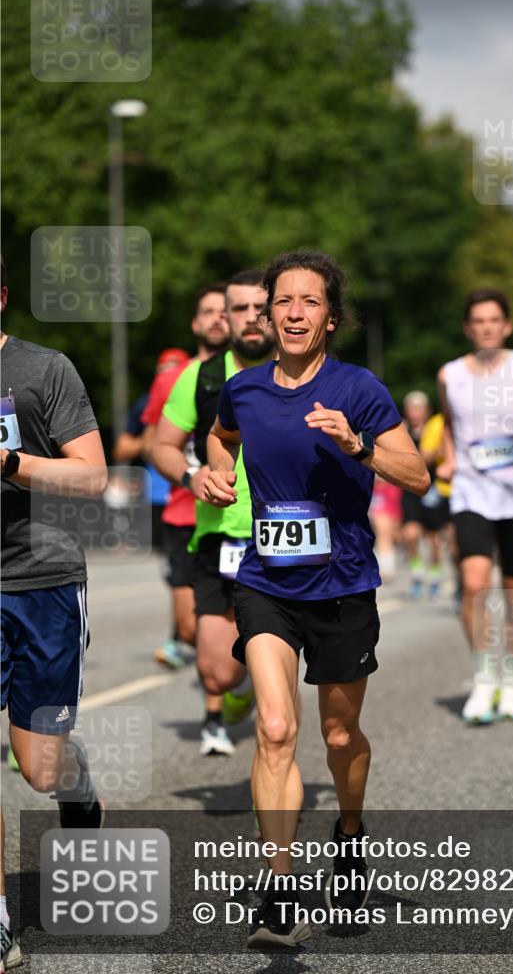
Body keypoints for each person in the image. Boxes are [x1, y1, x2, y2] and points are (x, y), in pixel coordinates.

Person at [204, 251, 429, 947]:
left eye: (309, 302)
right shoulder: (242, 390)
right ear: (266, 314)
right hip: (266, 580)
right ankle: (278, 887)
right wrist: (213, 477)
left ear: (331, 317)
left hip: (342, 585)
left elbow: (416, 474)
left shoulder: (358, 388)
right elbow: (220, 439)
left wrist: (357, 445)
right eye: (283, 301)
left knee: (337, 735)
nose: (294, 312)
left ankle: (350, 835)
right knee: (274, 728)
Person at [0, 256, 107, 970]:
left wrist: (10, 465)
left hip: (40, 580)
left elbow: (92, 475)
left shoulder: (44, 371)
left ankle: (77, 781)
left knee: (38, 766)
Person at [151, 270, 275, 756]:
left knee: (279, 678)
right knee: (218, 671)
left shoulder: (302, 371)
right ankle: (241, 688)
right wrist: (190, 476)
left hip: (285, 537)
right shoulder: (200, 377)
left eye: (258, 308)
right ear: (225, 317)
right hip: (221, 540)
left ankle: (277, 781)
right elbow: (162, 445)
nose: (249, 318)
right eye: (238, 309)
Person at [438, 288, 513, 724]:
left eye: (494, 320)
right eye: (478, 321)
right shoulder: (451, 373)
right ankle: (485, 674)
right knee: (474, 583)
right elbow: (448, 424)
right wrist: (449, 458)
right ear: (469, 328)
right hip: (471, 490)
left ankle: (512, 676)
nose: (486, 327)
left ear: (507, 326)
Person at [142, 284, 229, 670]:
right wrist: (186, 470)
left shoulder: (255, 373)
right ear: (195, 323)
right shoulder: (172, 379)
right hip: (182, 508)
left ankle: (233, 683)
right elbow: (153, 440)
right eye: (208, 312)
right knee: (191, 628)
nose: (217, 319)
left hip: (232, 514)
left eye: (225, 311)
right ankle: (230, 679)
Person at [112, 348, 189, 553]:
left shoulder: (202, 396)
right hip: (156, 495)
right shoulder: (146, 403)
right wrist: (150, 442)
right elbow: (121, 450)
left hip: (191, 492)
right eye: (162, 370)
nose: (166, 376)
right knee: (167, 563)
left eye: (173, 370)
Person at [401, 391, 454, 600]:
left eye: (419, 409)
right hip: (410, 489)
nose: (415, 413)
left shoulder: (437, 429)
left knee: (433, 539)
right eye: (411, 409)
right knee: (411, 534)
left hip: (433, 488)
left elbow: (434, 457)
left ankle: (434, 575)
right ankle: (416, 573)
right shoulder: (400, 430)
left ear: (426, 411)